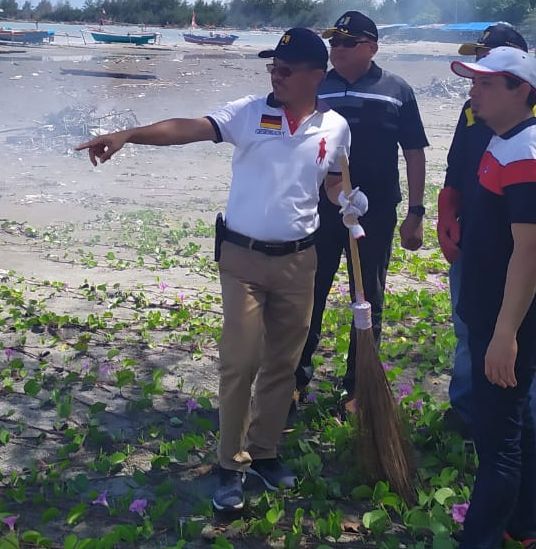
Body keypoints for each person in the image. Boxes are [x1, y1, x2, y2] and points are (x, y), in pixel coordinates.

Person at [74, 28, 357, 512]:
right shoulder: (250, 112)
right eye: (273, 66)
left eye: (287, 68)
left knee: (283, 365)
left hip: (299, 261)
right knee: (240, 361)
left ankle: (265, 453)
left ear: (318, 75)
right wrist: (129, 135)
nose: (277, 74)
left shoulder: (336, 127)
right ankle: (231, 463)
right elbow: (189, 127)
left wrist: (345, 199)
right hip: (243, 259)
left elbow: (333, 181)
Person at [448, 46, 536, 549]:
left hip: (511, 319)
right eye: (473, 82)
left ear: (522, 91)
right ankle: (522, 526)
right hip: (495, 312)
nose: (472, 92)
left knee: (495, 441)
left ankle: (480, 539)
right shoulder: (506, 139)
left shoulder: (529, 151)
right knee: (513, 421)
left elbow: (531, 249)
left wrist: (505, 335)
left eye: (485, 85)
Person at [295, 10, 428, 417]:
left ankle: (358, 382)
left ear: (371, 47)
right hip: (320, 209)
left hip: (376, 211)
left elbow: (414, 152)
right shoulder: (319, 88)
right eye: (333, 42)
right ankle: (295, 378)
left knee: (367, 295)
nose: (336, 50)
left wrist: (416, 212)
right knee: (309, 293)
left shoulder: (396, 90)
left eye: (345, 43)